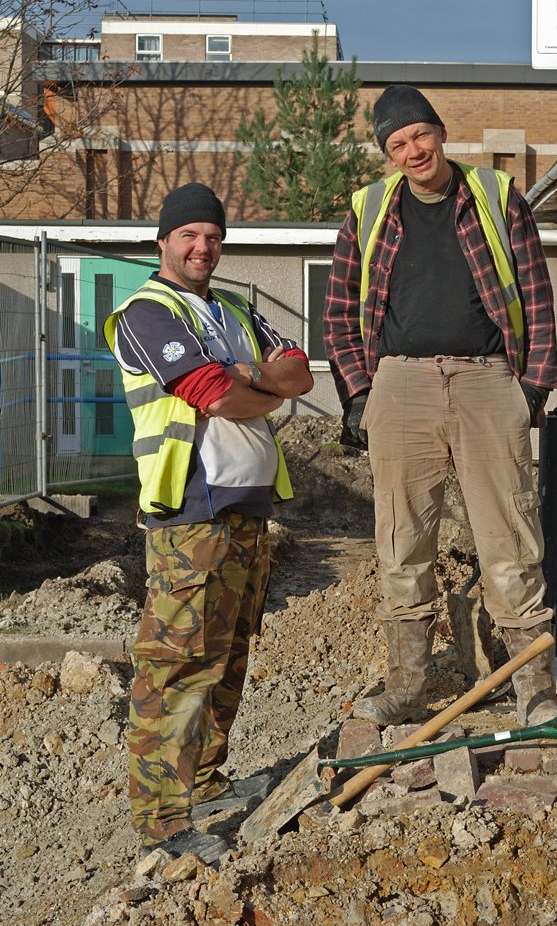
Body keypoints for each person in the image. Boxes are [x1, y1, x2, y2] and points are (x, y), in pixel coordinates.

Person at [323, 84, 557, 728]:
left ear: (440, 133)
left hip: (489, 381)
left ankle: (534, 686)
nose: (412, 151)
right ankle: (408, 686)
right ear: (387, 153)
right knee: (402, 538)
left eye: (420, 135)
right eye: (397, 144)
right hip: (401, 384)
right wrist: (359, 392)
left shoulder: (493, 197)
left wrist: (532, 388)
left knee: (510, 535)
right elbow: (341, 311)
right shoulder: (368, 211)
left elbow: (536, 293)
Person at [104, 182, 313, 862]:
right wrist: (251, 383)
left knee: (229, 659)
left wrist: (246, 372)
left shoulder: (232, 311)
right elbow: (212, 393)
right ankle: (163, 825)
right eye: (190, 234)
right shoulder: (145, 311)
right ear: (162, 242)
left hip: (249, 509)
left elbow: (300, 373)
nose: (203, 246)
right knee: (177, 669)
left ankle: (206, 781)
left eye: (213, 236)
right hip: (190, 513)